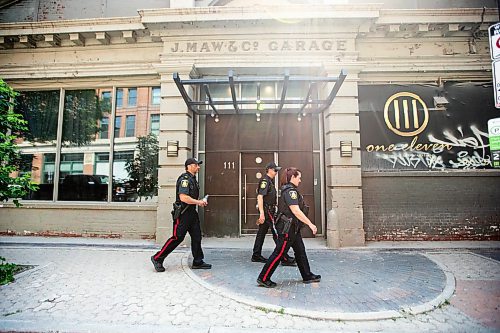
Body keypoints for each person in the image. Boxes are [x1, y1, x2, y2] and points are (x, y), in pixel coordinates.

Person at [257, 167, 321, 288]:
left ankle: (307, 275)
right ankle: (263, 278)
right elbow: (296, 211)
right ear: (292, 177)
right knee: (279, 253)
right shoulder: (290, 191)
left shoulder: (289, 190)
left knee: (300, 251)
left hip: (293, 228)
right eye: (299, 178)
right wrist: (310, 224)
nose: (300, 180)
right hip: (287, 229)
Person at [151, 157, 211, 272]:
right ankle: (157, 258)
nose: (198, 167)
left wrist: (199, 202)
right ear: (189, 166)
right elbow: (183, 198)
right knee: (177, 238)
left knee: (197, 236)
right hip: (183, 214)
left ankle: (198, 261)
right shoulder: (184, 179)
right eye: (196, 165)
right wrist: (199, 202)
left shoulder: (193, 179)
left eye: (198, 165)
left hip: (192, 213)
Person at [251, 162, 296, 267]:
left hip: (269, 211)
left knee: (261, 233)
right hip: (267, 212)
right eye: (275, 170)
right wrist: (262, 213)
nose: (276, 172)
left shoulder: (269, 182)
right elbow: (260, 197)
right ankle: (284, 257)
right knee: (277, 234)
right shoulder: (265, 181)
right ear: (269, 170)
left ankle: (256, 254)